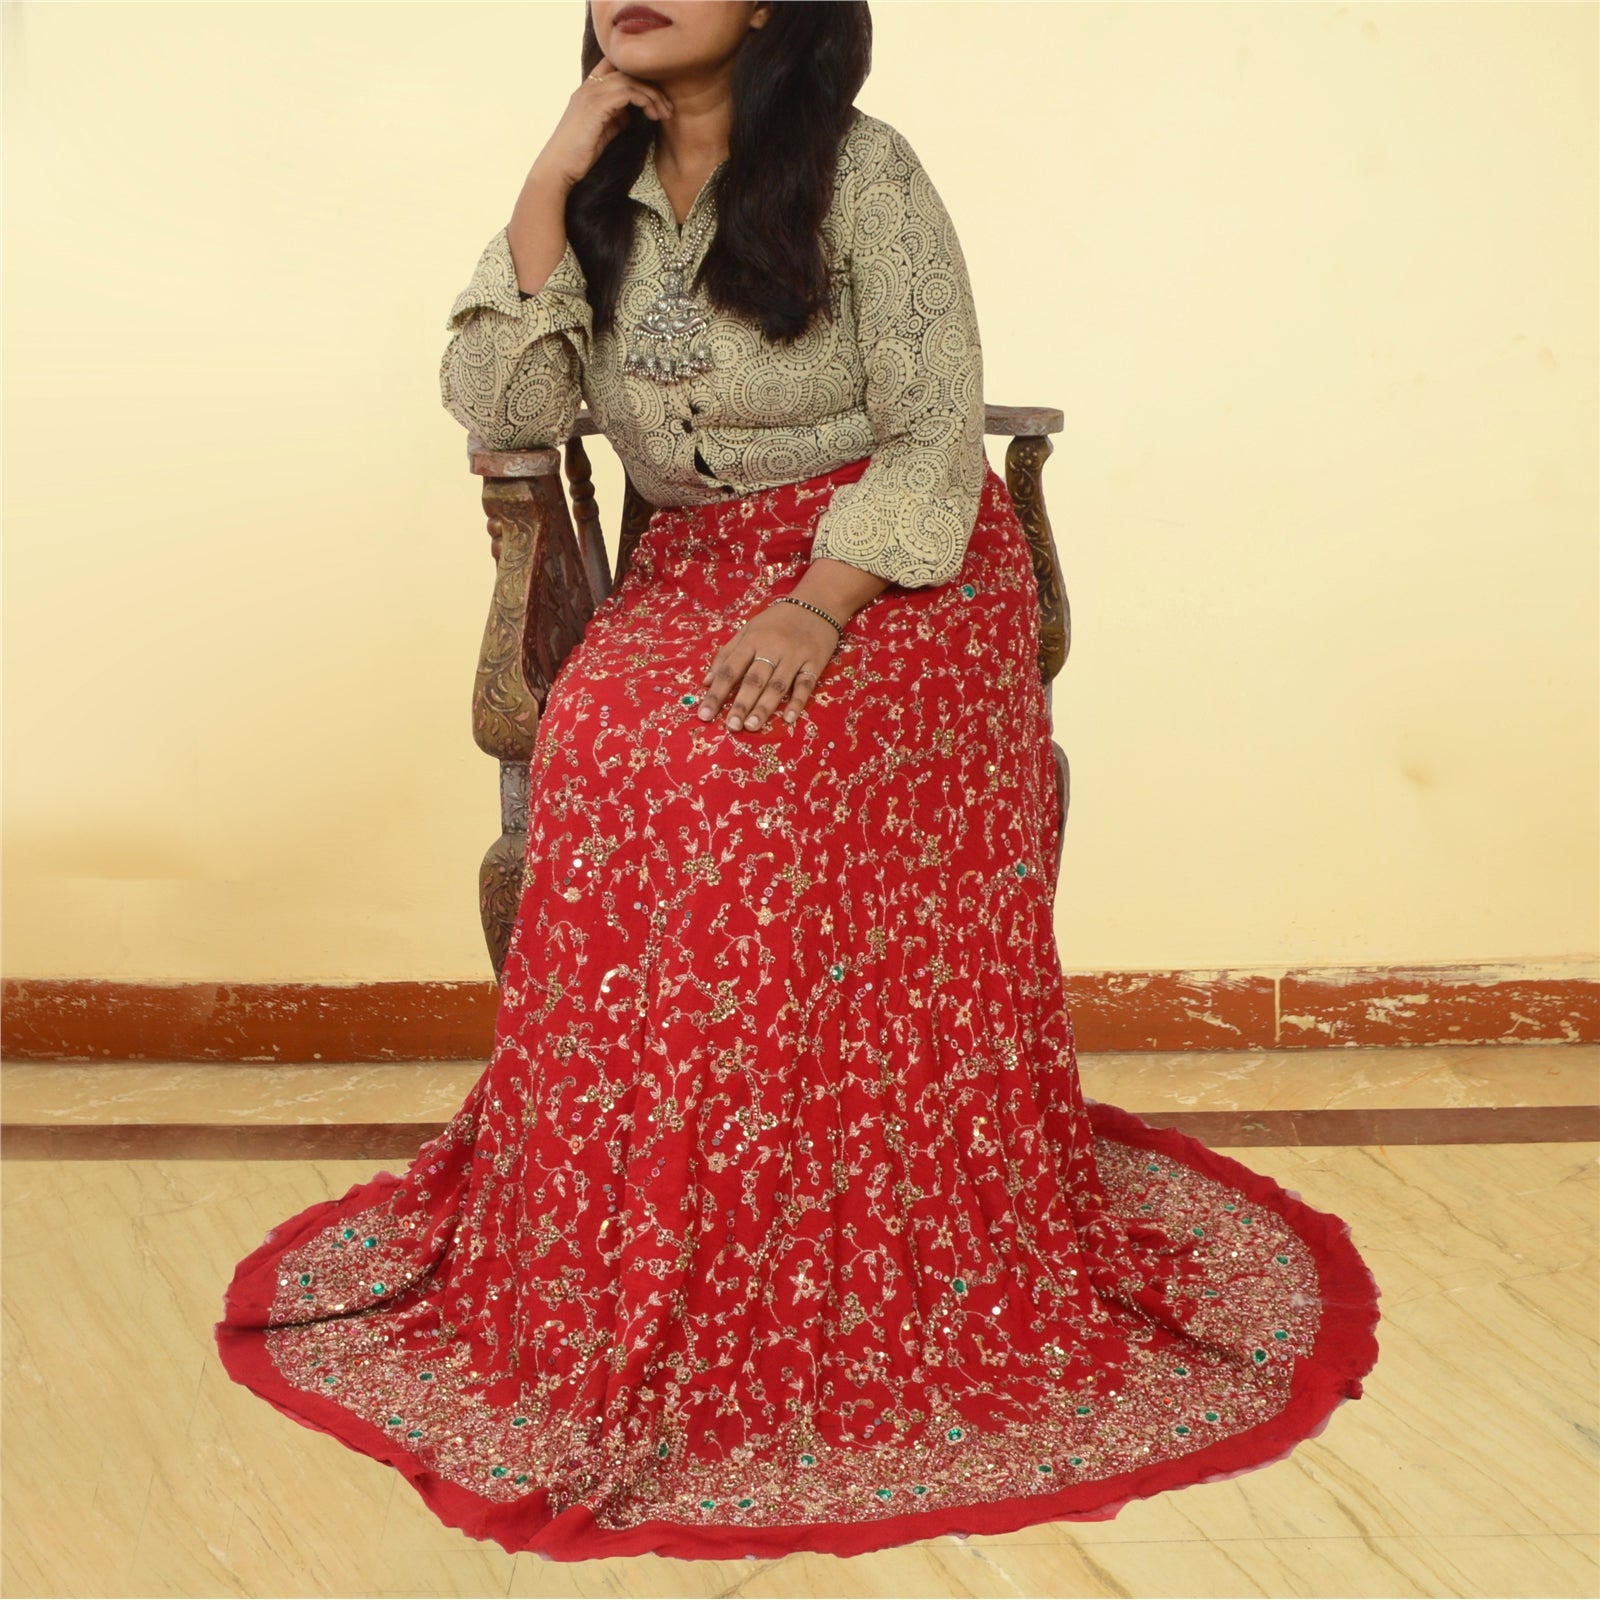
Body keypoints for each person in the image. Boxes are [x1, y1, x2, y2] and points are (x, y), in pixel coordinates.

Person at [215, 0, 1381, 1563]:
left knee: (745, 777)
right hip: (697, 565)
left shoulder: (862, 172)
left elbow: (932, 430)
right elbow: (507, 411)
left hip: (895, 570)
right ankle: (649, 1224)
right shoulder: (599, 193)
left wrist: (819, 605)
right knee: (611, 743)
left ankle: (810, 1216)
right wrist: (548, 177)